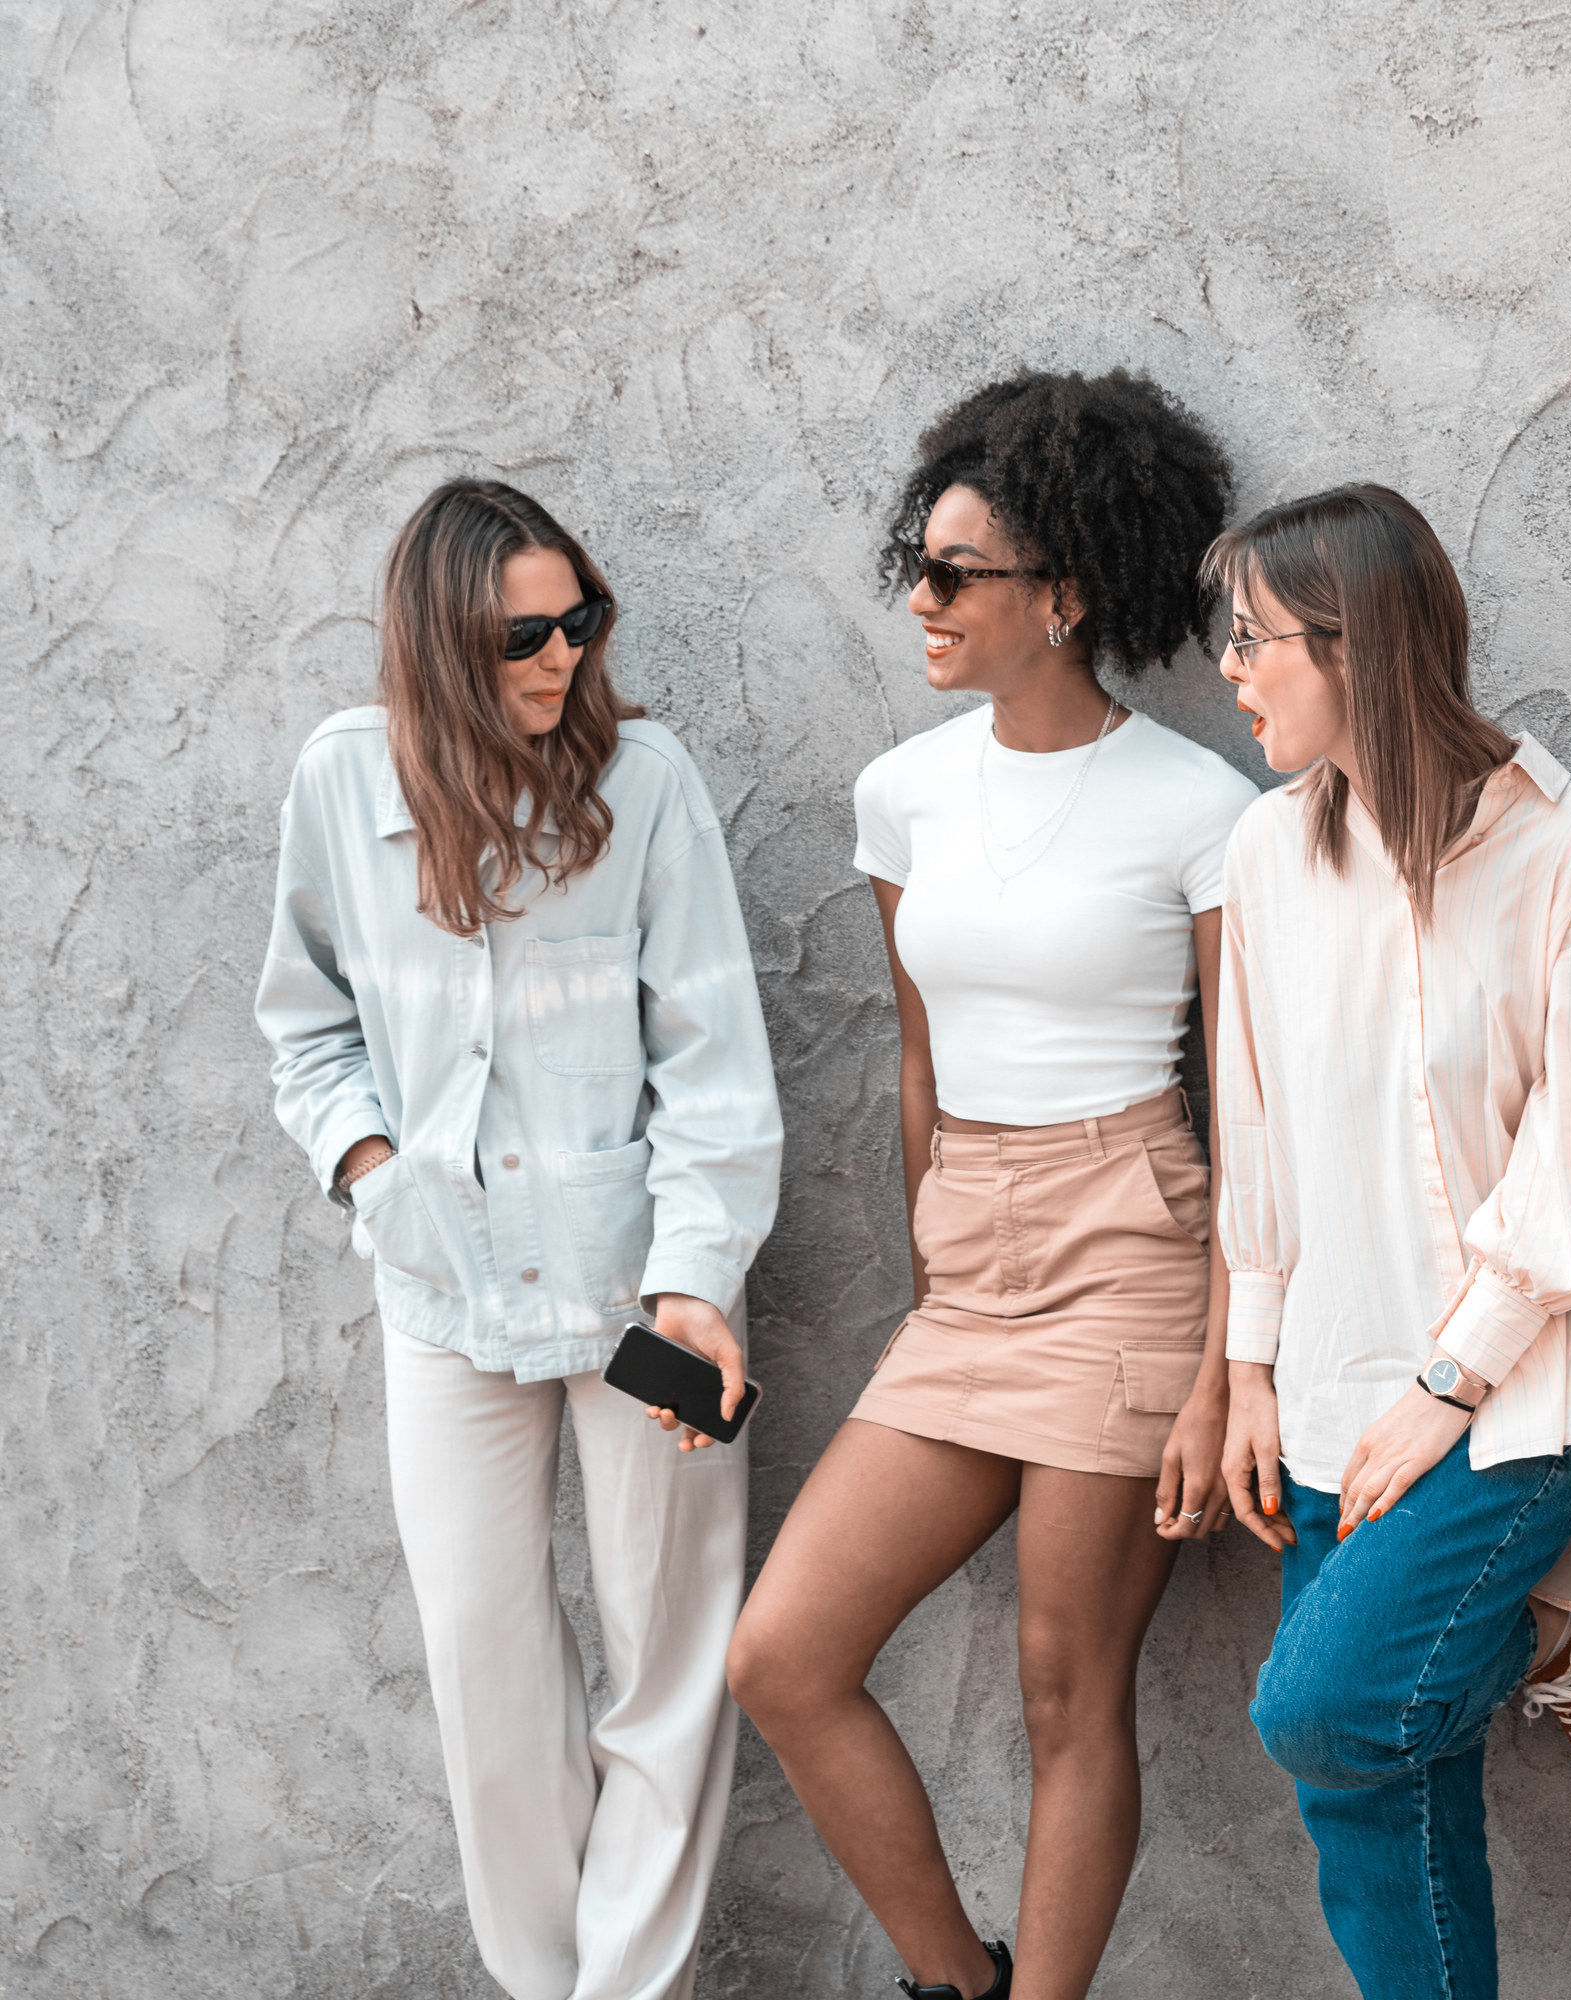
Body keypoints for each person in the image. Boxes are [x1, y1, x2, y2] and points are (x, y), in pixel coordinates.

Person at [721, 371, 1252, 2000]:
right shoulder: (907, 792)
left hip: (1134, 1247)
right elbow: (915, 1051)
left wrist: (1226, 1370)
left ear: (1068, 596)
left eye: (957, 575)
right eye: (920, 563)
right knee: (786, 1655)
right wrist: (938, 1247)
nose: (921, 600)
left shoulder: (1202, 808)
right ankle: (954, 1979)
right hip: (972, 1270)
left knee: (1061, 1686)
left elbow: (1249, 1114)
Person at [256, 478, 782, 2000]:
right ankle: (550, 1980)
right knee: (485, 1664)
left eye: (579, 619)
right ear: (435, 644)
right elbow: (306, 1027)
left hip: (642, 1307)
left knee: (670, 1666)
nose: (561, 655)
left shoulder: (649, 785)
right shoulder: (343, 782)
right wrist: (377, 1176)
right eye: (521, 635)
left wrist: (695, 1281)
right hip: (439, 1294)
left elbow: (715, 1069)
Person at [1209, 483, 1571, 2000]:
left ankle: (1535, 1621)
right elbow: (1257, 1121)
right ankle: (1532, 1639)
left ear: (1357, 645)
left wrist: (1454, 1380)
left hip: (1514, 1394)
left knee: (1322, 1708)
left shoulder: (1564, 856)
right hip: (1335, 1380)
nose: (1230, 669)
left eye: (1255, 638)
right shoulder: (1267, 853)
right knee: (1364, 1790)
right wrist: (1252, 1363)